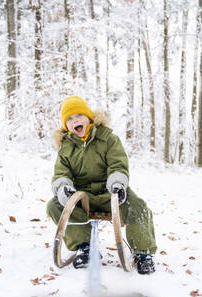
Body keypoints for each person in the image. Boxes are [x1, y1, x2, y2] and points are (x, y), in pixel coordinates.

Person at [46, 96, 157, 274]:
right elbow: (61, 173)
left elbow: (117, 164)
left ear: (89, 117)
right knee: (54, 205)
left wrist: (118, 184)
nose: (75, 121)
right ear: (66, 126)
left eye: (79, 116)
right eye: (70, 119)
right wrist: (63, 188)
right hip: (82, 198)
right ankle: (85, 246)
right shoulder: (66, 148)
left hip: (110, 193)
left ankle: (143, 252)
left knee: (138, 206)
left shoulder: (108, 139)